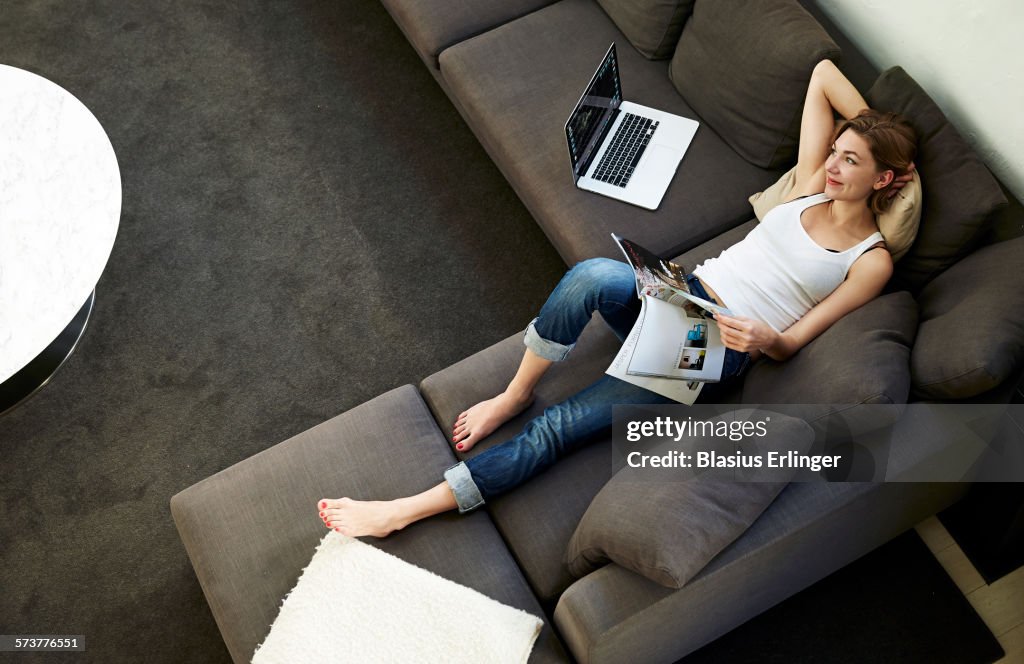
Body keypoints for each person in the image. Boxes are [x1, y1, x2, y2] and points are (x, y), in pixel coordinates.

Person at [316, 59, 918, 538]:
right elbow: (822, 76)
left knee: (560, 427)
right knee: (592, 274)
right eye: (836, 152)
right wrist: (870, 136)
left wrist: (768, 339)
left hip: (717, 348)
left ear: (885, 180)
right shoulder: (812, 187)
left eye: (852, 162)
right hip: (683, 290)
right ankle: (511, 394)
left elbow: (795, 344)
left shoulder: (869, 261)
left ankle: (405, 510)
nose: (834, 166)